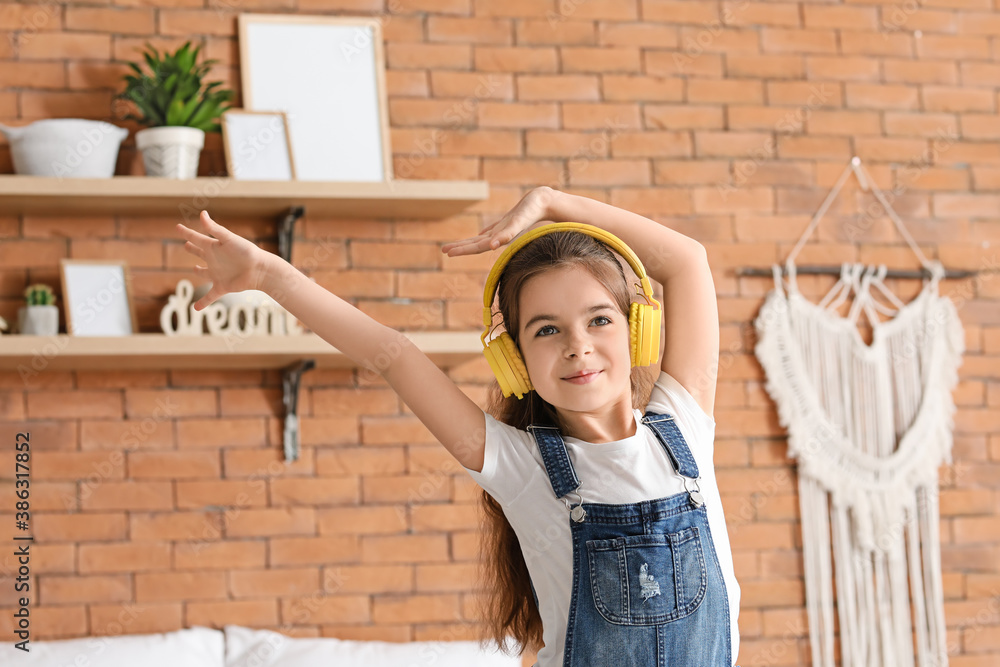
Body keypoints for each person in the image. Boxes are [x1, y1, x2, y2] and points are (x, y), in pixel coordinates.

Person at [176, 185, 740, 667]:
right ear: (514, 360)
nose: (578, 346)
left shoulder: (685, 423)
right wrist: (272, 276)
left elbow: (686, 261)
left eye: (599, 318)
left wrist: (552, 202)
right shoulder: (521, 468)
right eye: (546, 330)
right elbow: (393, 354)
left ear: (637, 328)